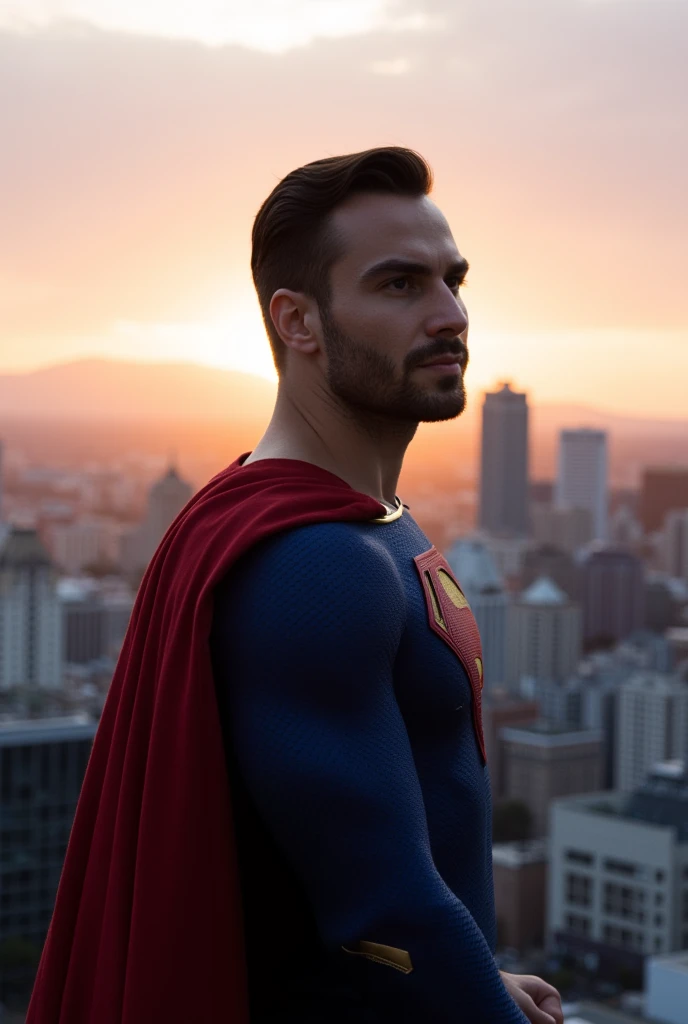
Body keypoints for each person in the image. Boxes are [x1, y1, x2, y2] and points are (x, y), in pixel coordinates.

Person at [27, 148, 563, 1024]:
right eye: (399, 285)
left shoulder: (364, 521)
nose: (450, 315)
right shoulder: (317, 562)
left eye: (453, 281)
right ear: (299, 322)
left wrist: (475, 976)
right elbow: (380, 908)